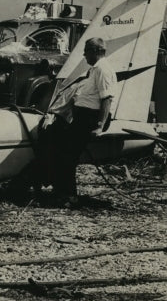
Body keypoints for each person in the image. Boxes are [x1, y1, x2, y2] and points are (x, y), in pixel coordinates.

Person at [32, 37, 116, 206]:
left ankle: (68, 196)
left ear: (95, 51)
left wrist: (99, 126)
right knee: (62, 149)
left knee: (67, 155)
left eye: (86, 51)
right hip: (83, 117)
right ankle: (62, 192)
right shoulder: (95, 69)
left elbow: (106, 99)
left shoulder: (102, 69)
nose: (84, 55)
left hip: (89, 118)